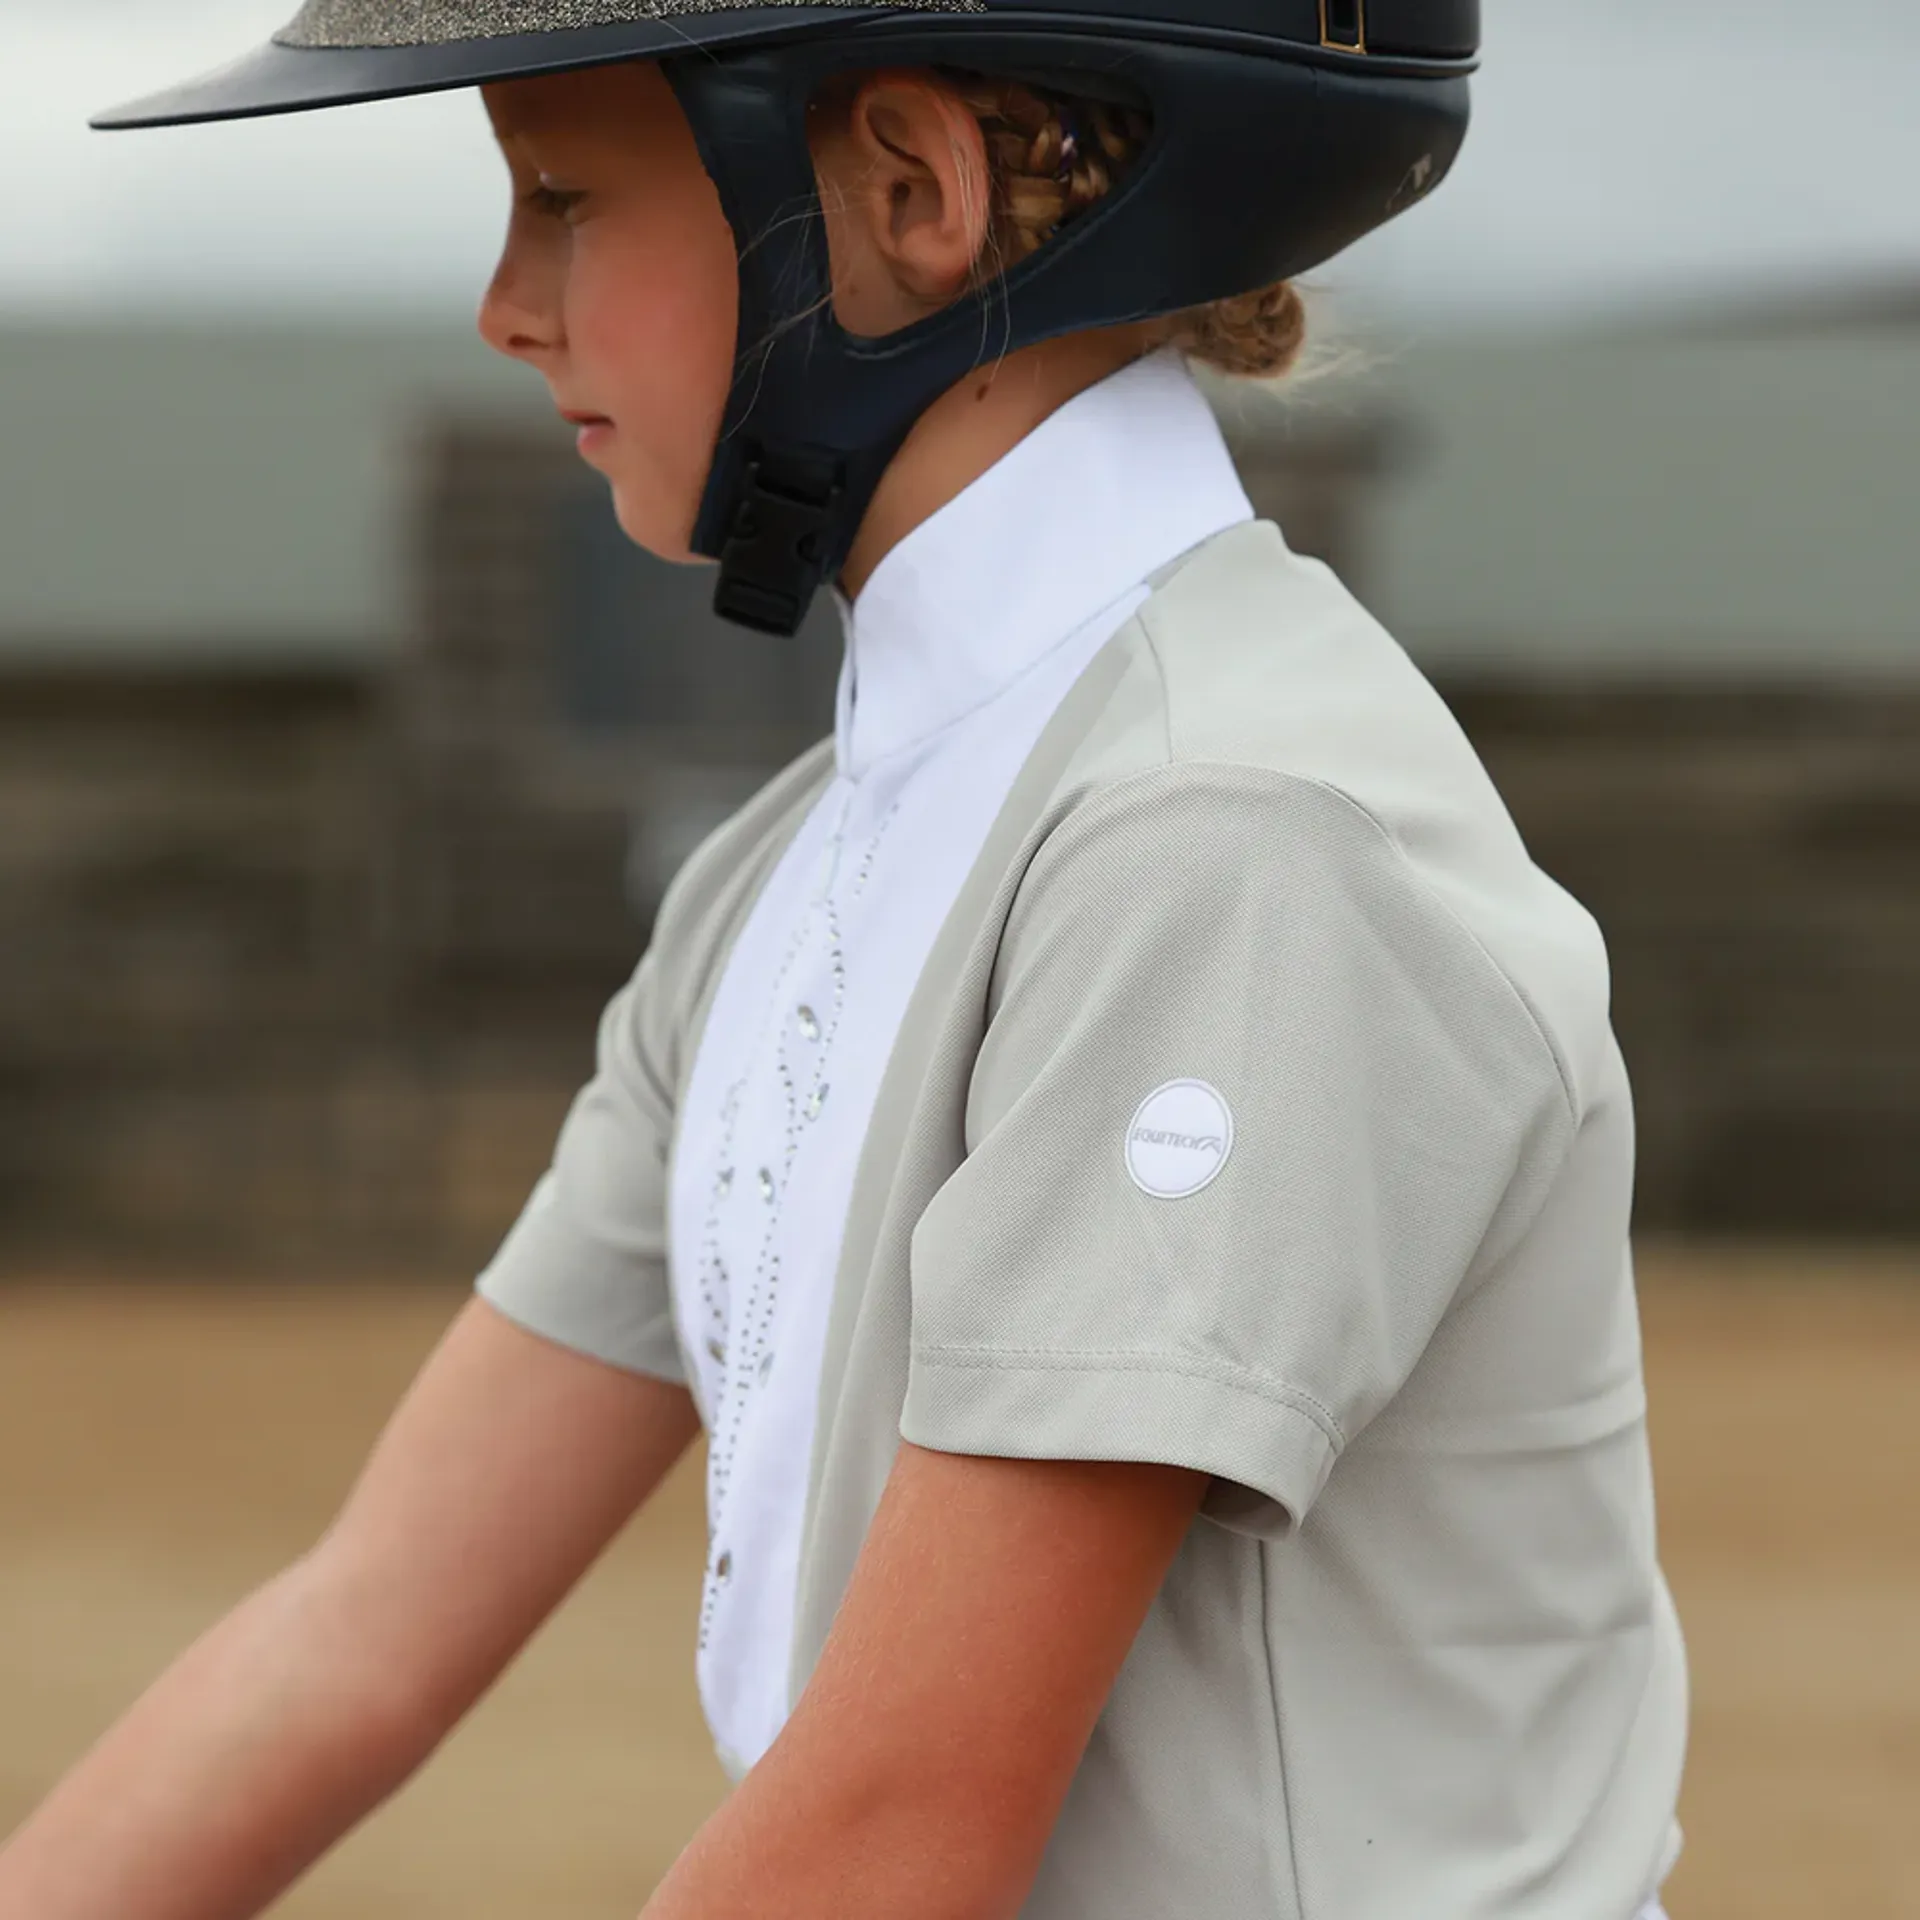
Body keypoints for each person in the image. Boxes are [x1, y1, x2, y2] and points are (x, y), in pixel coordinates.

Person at [1, 5, 1688, 1917]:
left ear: (912, 194)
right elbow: (354, 1634)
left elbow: (896, 1831)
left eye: (562, 198)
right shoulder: (790, 872)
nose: (504, 306)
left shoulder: (1228, 849)